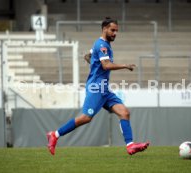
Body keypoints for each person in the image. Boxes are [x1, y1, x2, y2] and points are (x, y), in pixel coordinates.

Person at [47, 17, 149, 156]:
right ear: (105, 28)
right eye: (112, 30)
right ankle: (55, 135)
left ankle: (130, 146)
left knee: (124, 113)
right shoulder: (102, 45)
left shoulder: (101, 44)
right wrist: (125, 65)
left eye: (116, 31)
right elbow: (106, 65)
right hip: (96, 87)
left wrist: (94, 63)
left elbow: (87, 56)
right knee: (86, 118)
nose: (115, 33)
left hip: (104, 88)